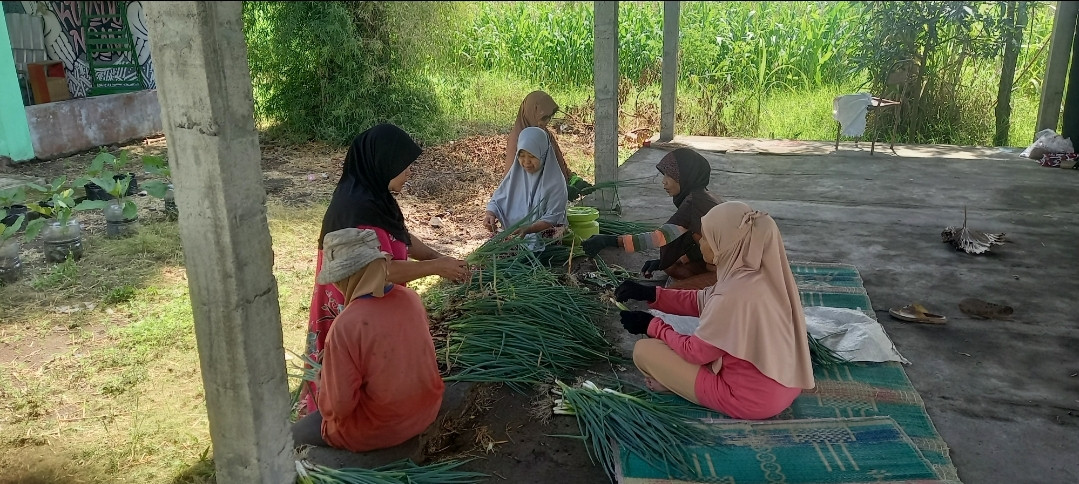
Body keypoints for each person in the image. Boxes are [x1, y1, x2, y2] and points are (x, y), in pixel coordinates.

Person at [303, 124, 469, 414]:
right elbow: (383, 271)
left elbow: (399, 237)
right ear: (382, 163)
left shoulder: (375, 196)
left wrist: (439, 256)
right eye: (403, 167)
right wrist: (436, 267)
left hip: (372, 303)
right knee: (346, 371)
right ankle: (337, 418)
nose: (409, 173)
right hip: (351, 302)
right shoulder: (356, 209)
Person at [613, 201, 815, 420]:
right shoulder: (764, 275)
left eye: (708, 237)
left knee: (645, 350)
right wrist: (652, 294)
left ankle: (674, 384)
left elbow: (695, 352)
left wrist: (651, 325)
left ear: (727, 243)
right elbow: (703, 299)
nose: (700, 243)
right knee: (693, 342)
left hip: (750, 400)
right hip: (786, 385)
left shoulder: (731, 296)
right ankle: (678, 380)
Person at [292, 227, 445, 452]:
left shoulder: (346, 325)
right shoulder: (410, 298)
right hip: (426, 409)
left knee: (290, 438)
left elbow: (338, 408)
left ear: (346, 279)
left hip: (380, 429)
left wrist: (324, 382)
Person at [582, 148, 724, 289]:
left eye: (670, 175)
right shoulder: (703, 195)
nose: (664, 182)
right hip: (720, 262)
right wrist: (664, 261)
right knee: (670, 265)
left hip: (729, 272)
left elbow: (658, 238)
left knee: (670, 295)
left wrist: (609, 240)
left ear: (686, 176)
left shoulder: (694, 203)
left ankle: (718, 289)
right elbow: (697, 240)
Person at [485, 127, 568, 253]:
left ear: (543, 154)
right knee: (491, 251)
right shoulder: (515, 175)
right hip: (517, 232)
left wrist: (529, 229)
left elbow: (553, 218)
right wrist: (490, 215)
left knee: (545, 243)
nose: (526, 162)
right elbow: (497, 200)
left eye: (532, 156)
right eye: (521, 155)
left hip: (544, 232)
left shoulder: (555, 182)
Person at [506, 90, 594, 200]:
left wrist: (572, 180)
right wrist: (556, 190)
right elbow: (515, 184)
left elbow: (556, 163)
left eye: (549, 118)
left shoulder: (544, 135)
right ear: (530, 114)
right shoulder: (518, 140)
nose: (546, 122)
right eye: (543, 118)